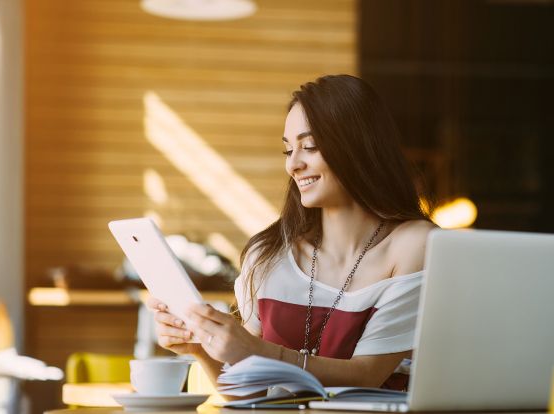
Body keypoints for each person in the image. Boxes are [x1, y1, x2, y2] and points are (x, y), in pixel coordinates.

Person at [145, 74, 437, 390]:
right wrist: (202, 349)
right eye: (288, 150)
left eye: (309, 147)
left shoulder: (414, 246)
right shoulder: (268, 255)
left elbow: (367, 375)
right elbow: (248, 391)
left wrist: (257, 350)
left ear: (359, 148)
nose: (293, 165)